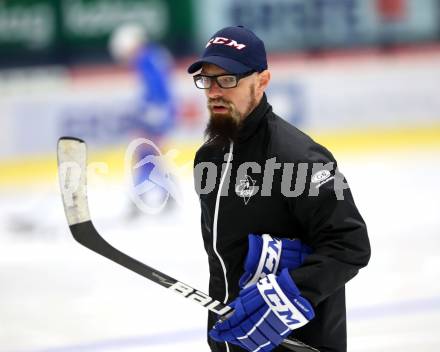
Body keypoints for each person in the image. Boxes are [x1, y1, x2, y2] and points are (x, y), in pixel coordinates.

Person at [188, 26, 371, 352]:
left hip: (299, 342)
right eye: (207, 79)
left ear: (262, 81)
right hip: (234, 341)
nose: (214, 91)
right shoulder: (209, 158)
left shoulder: (299, 158)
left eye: (227, 79)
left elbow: (350, 245)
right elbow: (223, 263)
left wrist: (287, 293)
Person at [109, 23, 177, 215]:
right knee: (148, 155)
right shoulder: (154, 56)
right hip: (159, 112)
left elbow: (157, 87)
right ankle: (157, 194)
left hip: (157, 113)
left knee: (146, 153)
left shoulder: (146, 59)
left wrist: (153, 112)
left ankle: (144, 197)